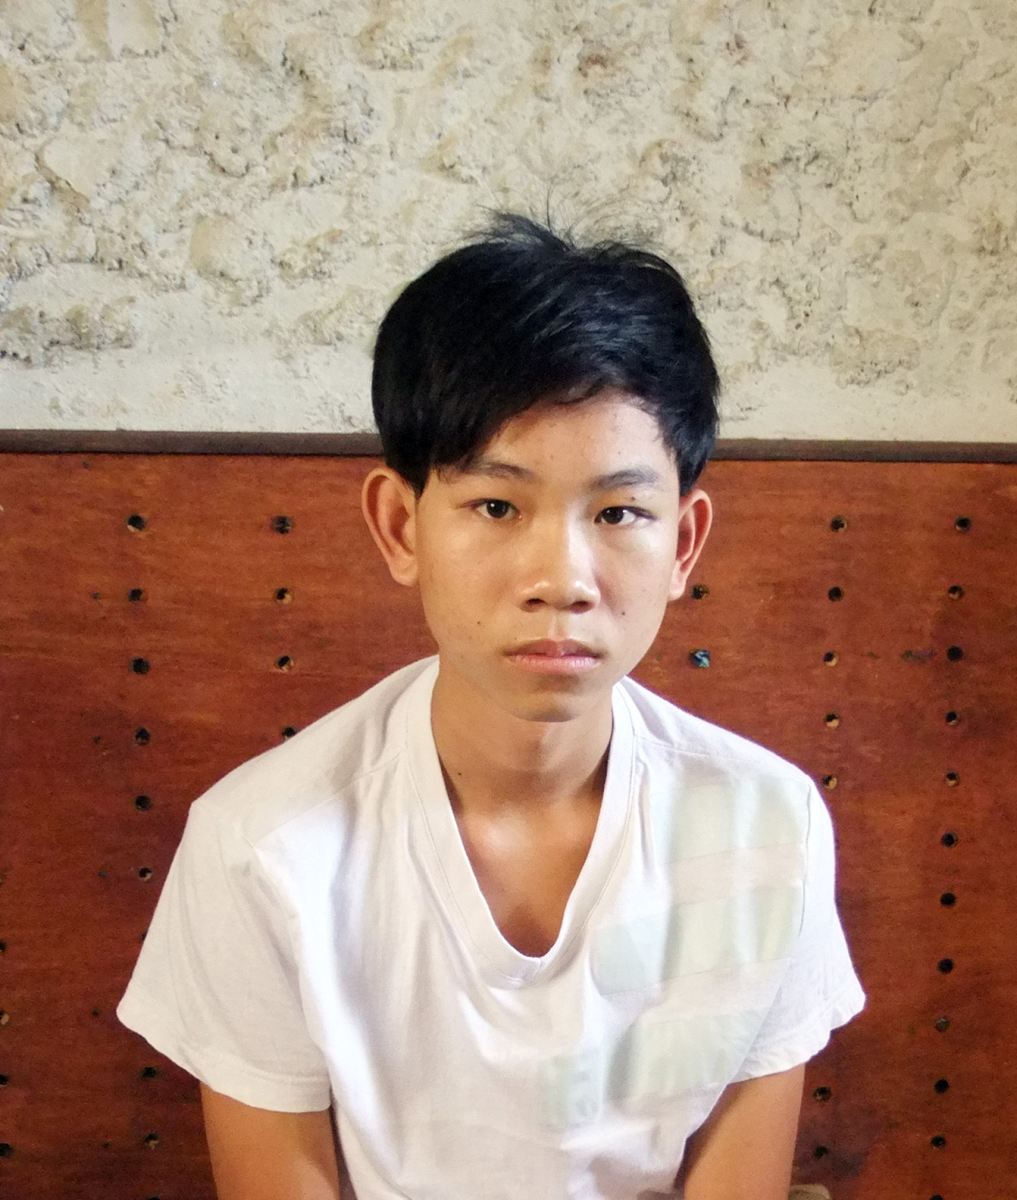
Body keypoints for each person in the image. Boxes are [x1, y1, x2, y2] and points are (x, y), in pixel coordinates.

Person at [117, 210, 866, 1200]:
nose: (561, 579)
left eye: (619, 512)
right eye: (498, 506)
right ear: (400, 527)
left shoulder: (766, 825)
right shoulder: (263, 847)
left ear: (683, 543)